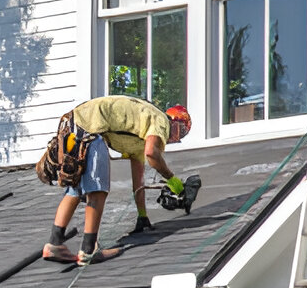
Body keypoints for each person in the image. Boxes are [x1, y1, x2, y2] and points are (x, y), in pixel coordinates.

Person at [36, 96, 193, 265]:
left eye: (181, 135)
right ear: (173, 121)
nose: (175, 137)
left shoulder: (139, 135)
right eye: (179, 130)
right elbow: (152, 154)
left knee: (75, 189)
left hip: (75, 127)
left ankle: (54, 244)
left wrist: (142, 215)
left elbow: (138, 179)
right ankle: (89, 250)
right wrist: (173, 180)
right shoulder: (161, 120)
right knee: (97, 191)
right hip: (91, 131)